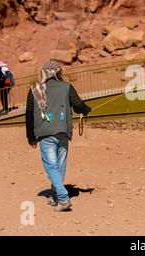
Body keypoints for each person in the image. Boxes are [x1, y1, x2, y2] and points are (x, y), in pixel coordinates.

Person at [25, 60, 91, 212]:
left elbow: (29, 116)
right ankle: (56, 194)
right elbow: (78, 105)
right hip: (63, 131)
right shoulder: (67, 87)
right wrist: (86, 109)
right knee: (59, 165)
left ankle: (62, 198)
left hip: (45, 133)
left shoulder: (34, 89)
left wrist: (31, 138)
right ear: (57, 73)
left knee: (51, 166)